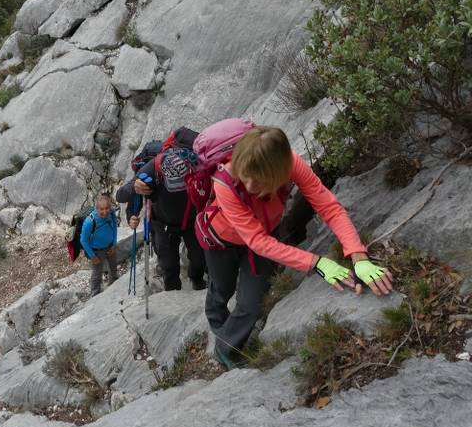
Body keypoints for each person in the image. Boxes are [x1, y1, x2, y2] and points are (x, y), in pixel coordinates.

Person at [202, 126, 393, 369]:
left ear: (278, 173)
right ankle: (217, 323)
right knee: (221, 288)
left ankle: (224, 346)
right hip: (220, 239)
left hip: (262, 236)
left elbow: (328, 206)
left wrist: (359, 256)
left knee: (251, 304)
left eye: (259, 182)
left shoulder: (289, 163)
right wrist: (317, 262)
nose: (249, 187)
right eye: (245, 177)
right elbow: (257, 241)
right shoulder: (224, 182)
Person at [116, 129, 206, 291]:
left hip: (190, 221)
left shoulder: (199, 163)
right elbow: (121, 195)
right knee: (169, 266)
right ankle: (172, 291)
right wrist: (136, 187)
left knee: (199, 259)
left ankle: (197, 280)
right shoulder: (154, 166)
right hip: (164, 225)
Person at [80, 193, 118, 296]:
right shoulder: (90, 221)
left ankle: (114, 285)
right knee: (97, 273)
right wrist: (92, 256)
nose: (105, 212)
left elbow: (114, 228)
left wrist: (114, 244)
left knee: (113, 267)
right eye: (101, 209)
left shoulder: (111, 214)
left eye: (107, 208)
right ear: (96, 208)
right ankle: (95, 294)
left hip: (110, 246)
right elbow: (83, 240)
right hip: (97, 251)